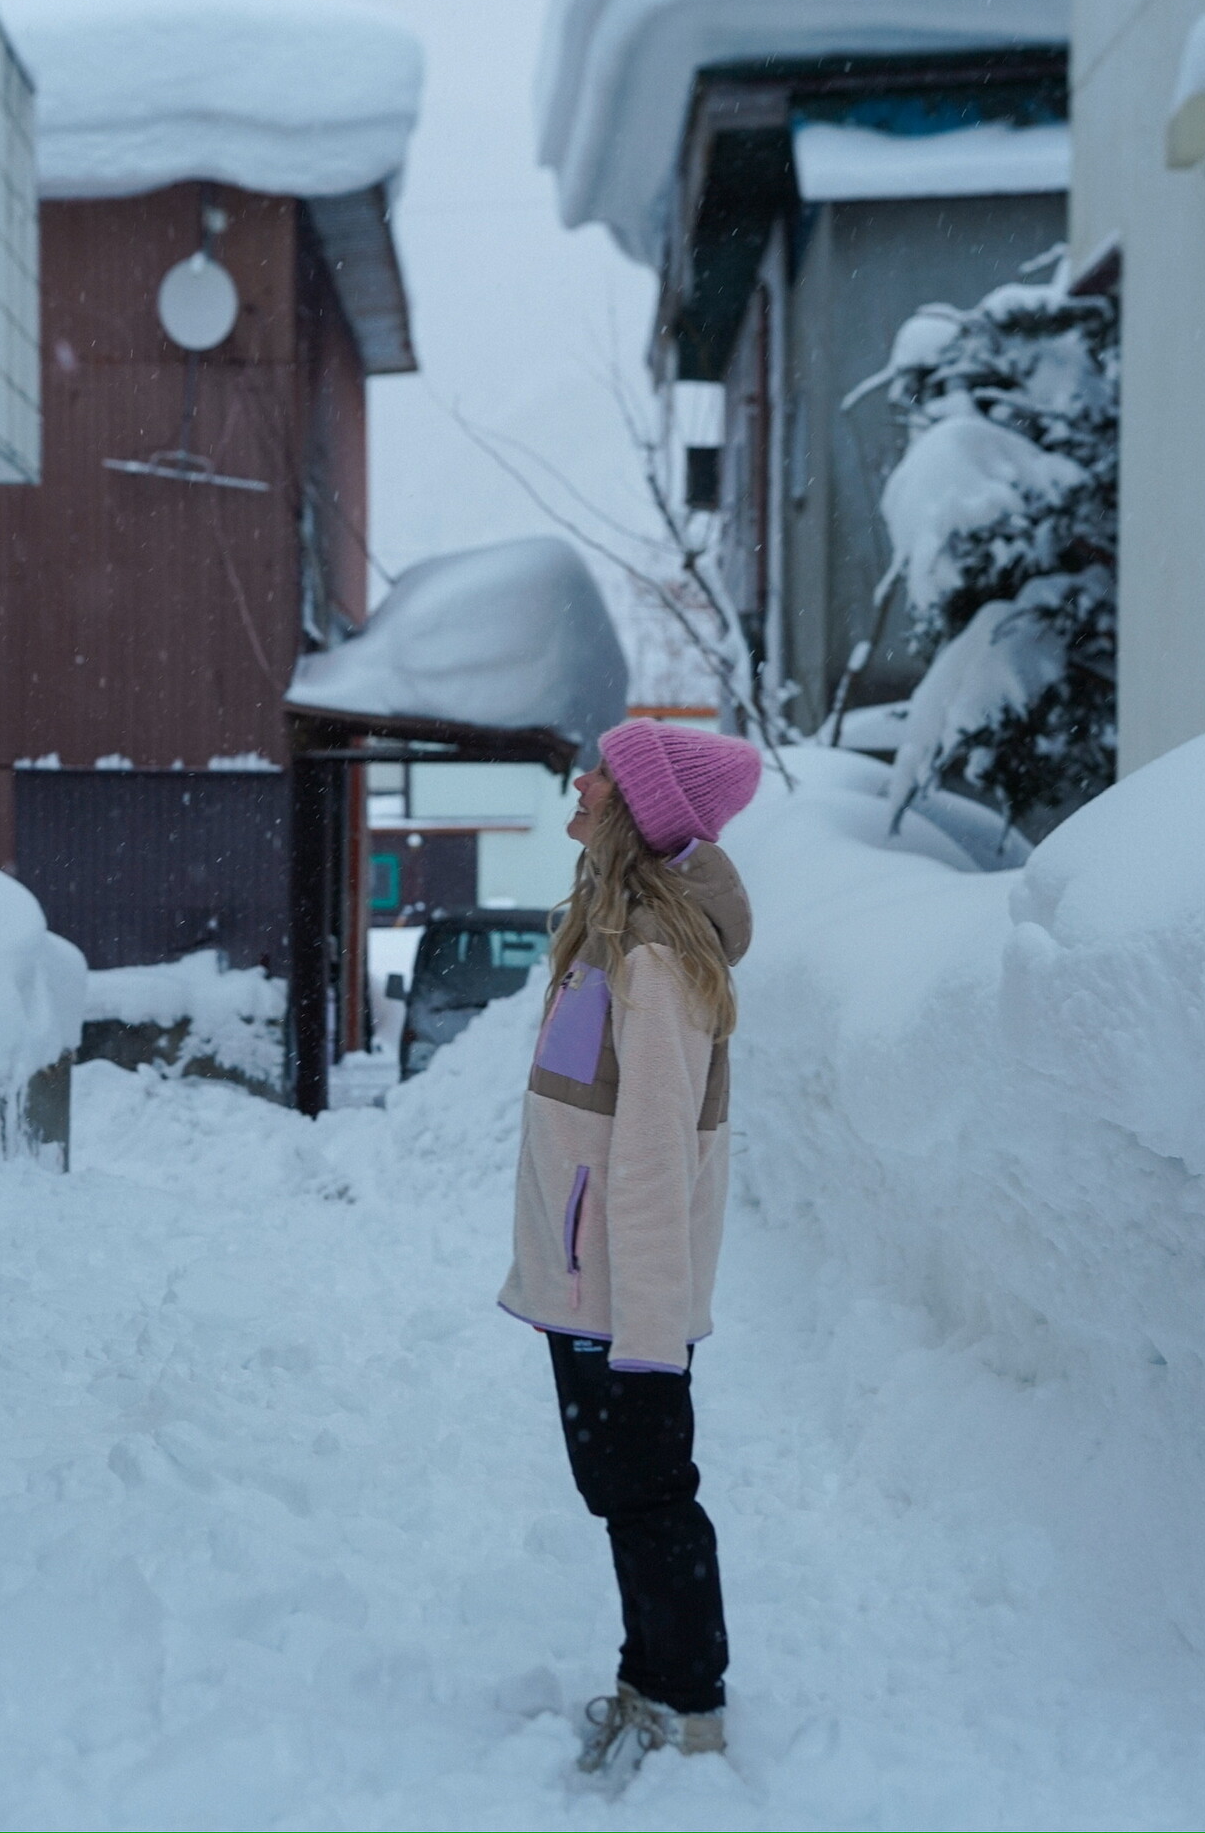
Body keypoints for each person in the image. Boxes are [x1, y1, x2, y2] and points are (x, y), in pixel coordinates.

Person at [497, 717, 762, 1779]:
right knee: (626, 1494)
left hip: (620, 1299)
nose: (581, 781)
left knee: (650, 1496)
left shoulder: (654, 957)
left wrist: (647, 1333)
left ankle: (688, 1702)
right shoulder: (615, 934)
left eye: (600, 773)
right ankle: (651, 1679)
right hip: (588, 1283)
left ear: (638, 810)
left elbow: (653, 1154)